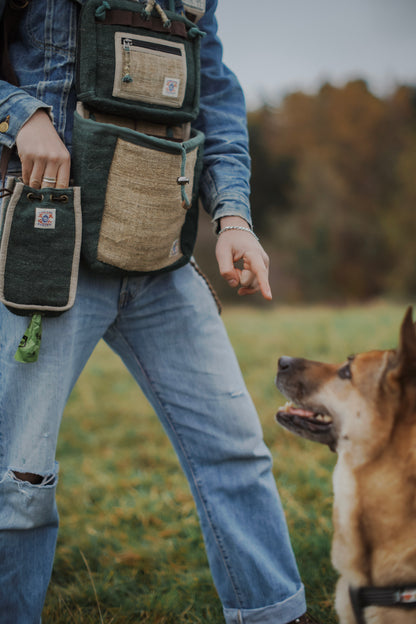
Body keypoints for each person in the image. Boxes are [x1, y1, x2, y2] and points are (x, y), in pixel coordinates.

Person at [0, 1, 321, 623]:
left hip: (160, 256)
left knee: (236, 452)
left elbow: (218, 99)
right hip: (49, 249)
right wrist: (22, 116)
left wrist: (231, 216)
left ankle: (275, 615)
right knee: (20, 484)